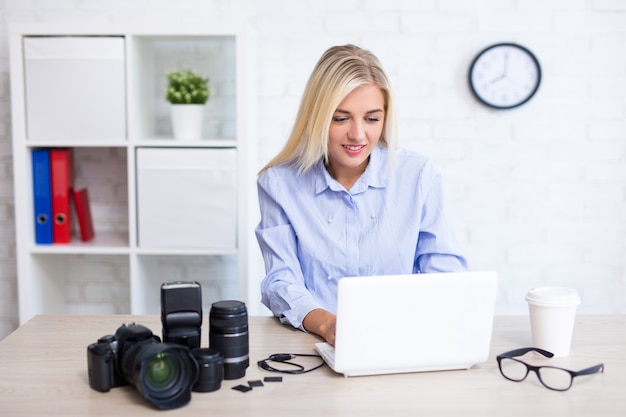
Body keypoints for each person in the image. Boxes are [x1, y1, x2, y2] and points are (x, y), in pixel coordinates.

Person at [255, 44, 468, 345]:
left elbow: (443, 270)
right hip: (315, 343)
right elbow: (281, 281)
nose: (358, 135)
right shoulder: (279, 183)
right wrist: (328, 325)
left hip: (404, 338)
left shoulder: (417, 174)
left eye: (371, 118)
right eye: (341, 119)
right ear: (316, 117)